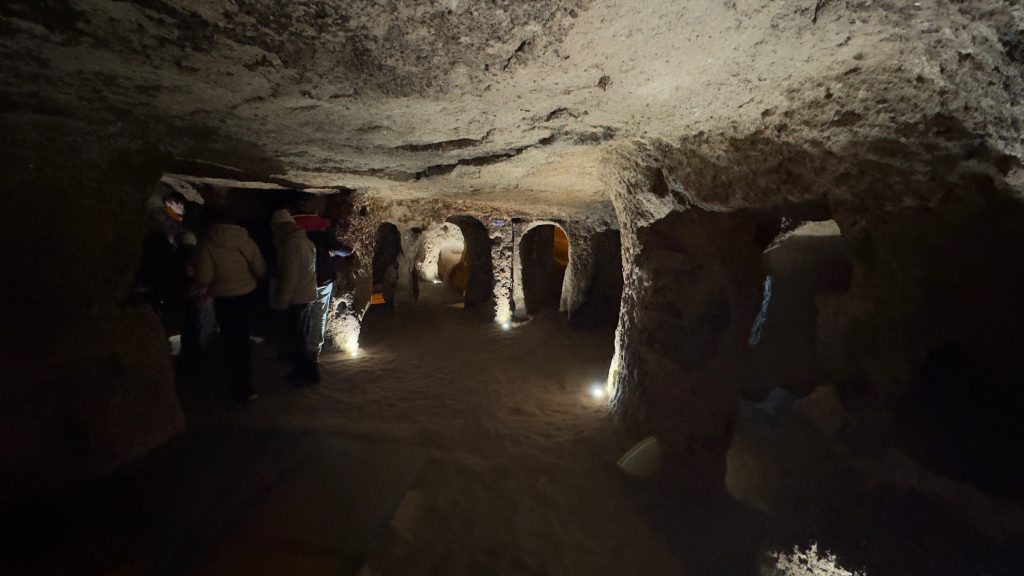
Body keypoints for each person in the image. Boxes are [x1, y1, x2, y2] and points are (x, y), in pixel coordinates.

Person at [195, 205, 266, 401]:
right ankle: (246, 381)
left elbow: (204, 275)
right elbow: (259, 266)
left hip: (225, 297)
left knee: (232, 339)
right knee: (242, 336)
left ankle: (239, 383)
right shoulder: (244, 239)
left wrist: (203, 286)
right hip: (247, 293)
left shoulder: (206, 243)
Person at [294, 212, 352, 362]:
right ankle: (314, 350)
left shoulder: (292, 233)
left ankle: (297, 349)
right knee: (319, 316)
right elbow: (340, 249)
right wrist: (349, 250)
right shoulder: (321, 231)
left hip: (301, 281)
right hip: (322, 279)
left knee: (300, 316)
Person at [271, 208, 320, 384]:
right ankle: (305, 371)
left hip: (296, 297)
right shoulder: (307, 242)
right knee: (300, 336)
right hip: (306, 295)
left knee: (296, 338)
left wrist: (283, 299)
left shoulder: (292, 245)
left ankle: (307, 373)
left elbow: (289, 276)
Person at [137, 191, 191, 337]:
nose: (180, 208)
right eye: (177, 204)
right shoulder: (160, 216)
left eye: (181, 205)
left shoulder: (176, 220)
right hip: (159, 260)